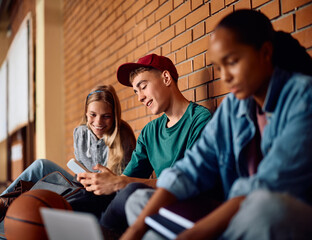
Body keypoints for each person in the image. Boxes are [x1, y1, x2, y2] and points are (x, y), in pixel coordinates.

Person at [121, 9, 312, 240]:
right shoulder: (234, 106)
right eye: (219, 68)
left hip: (279, 214)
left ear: (265, 53)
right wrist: (135, 230)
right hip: (237, 216)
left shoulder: (304, 97)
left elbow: (264, 186)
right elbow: (190, 168)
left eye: (232, 62)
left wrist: (191, 236)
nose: (225, 77)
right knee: (139, 202)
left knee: (265, 208)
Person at [0, 84, 136, 232]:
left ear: (114, 115)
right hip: (83, 187)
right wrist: (82, 177)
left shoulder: (123, 136)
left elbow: (125, 183)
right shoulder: (80, 132)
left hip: (105, 197)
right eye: (93, 115)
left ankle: (21, 221)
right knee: (41, 165)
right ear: (86, 112)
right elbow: (80, 169)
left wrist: (105, 181)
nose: (98, 122)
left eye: (106, 116)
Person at [77, 54, 212, 233]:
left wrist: (120, 183)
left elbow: (188, 182)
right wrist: (109, 180)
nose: (140, 97)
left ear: (166, 78)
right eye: (136, 91)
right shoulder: (150, 131)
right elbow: (127, 178)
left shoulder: (200, 120)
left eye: (143, 86)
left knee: (130, 193)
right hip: (150, 204)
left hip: (184, 205)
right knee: (89, 194)